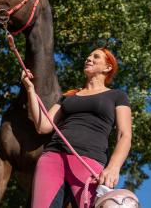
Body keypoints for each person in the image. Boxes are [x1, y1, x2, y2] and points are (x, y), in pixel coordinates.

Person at [21, 47, 132, 208]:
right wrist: (30, 89)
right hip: (52, 158)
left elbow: (124, 134)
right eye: (88, 55)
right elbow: (43, 126)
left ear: (107, 68)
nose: (89, 58)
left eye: (96, 57)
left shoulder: (117, 96)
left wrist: (114, 167)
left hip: (90, 160)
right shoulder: (69, 96)